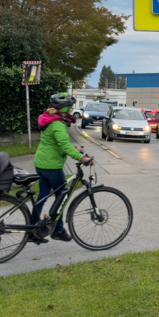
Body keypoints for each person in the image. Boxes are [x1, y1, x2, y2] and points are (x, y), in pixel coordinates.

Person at [32, 93, 92, 243]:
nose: (71, 111)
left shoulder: (49, 119)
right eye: (70, 108)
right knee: (61, 197)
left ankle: (32, 228)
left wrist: (75, 148)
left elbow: (56, 143)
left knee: (43, 197)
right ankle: (58, 231)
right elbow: (64, 145)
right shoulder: (58, 124)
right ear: (63, 109)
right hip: (51, 166)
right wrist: (82, 158)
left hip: (41, 163)